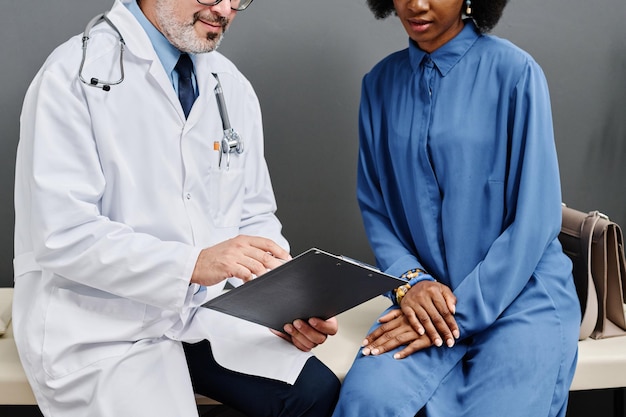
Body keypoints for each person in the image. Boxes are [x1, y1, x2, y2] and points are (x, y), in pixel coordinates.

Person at [12, 0, 340, 416]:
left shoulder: (228, 83)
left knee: (315, 393)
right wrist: (192, 263)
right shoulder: (73, 76)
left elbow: (254, 213)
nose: (224, 9)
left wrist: (284, 303)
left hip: (202, 312)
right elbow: (63, 234)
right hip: (100, 324)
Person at [331, 0, 580, 416]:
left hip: (519, 297)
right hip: (422, 297)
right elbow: (376, 208)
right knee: (366, 402)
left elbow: (535, 218)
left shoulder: (515, 73)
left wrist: (454, 314)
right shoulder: (379, 84)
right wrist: (411, 283)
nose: (417, 4)